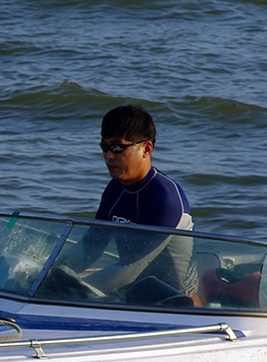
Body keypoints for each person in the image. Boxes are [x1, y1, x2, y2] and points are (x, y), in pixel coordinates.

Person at [65, 104, 196, 300]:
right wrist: (49, 273)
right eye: (105, 147)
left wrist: (76, 288)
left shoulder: (165, 199)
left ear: (146, 148)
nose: (109, 156)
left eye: (118, 147)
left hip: (173, 300)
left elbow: (131, 268)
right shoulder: (115, 189)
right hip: (130, 291)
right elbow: (89, 248)